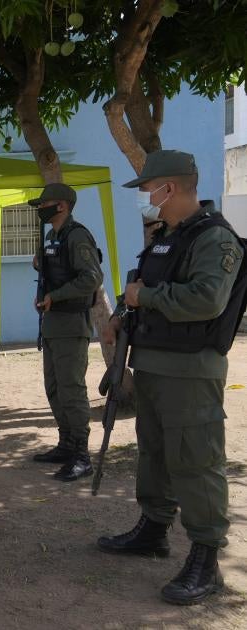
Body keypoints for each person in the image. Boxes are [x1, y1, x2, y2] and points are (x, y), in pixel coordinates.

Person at [97, 150, 245, 605]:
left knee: (195, 462)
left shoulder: (215, 239)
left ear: (172, 187)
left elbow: (206, 300)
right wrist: (126, 314)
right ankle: (154, 528)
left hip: (190, 370)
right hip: (154, 365)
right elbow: (144, 292)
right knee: (156, 453)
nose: (149, 200)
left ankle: (206, 559)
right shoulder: (168, 239)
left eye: (150, 190)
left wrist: (147, 298)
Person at [30, 183, 103, 482]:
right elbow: (53, 270)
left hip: (72, 325)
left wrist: (56, 296)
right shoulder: (52, 236)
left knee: (72, 391)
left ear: (61, 205)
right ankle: (66, 445)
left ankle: (82, 455)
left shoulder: (77, 236)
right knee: (54, 388)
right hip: (52, 325)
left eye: (44, 204)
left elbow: (92, 277)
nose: (39, 208)